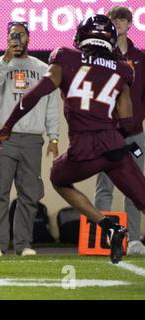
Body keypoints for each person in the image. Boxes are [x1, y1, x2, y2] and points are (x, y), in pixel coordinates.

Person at [0, 15, 145, 264]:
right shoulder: (121, 69)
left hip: (84, 150)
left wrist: (7, 126)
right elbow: (128, 121)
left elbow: (33, 95)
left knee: (58, 178)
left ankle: (108, 226)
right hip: (114, 147)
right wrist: (115, 133)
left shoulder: (65, 58)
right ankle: (111, 227)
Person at [0, 21, 59, 257]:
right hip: (4, 137)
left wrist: (54, 136)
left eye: (22, 34)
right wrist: (6, 59)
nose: (18, 38)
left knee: (29, 193)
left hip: (33, 139)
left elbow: (51, 105)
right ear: (6, 38)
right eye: (13, 35)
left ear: (29, 38)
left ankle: (24, 244)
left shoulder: (44, 68)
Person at [94, 6, 145, 256]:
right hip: (107, 132)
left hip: (135, 133)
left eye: (124, 18)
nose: (120, 22)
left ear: (130, 23)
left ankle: (134, 239)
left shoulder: (141, 57)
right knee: (104, 186)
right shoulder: (102, 55)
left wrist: (137, 119)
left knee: (135, 187)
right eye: (115, 18)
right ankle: (103, 238)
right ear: (110, 24)